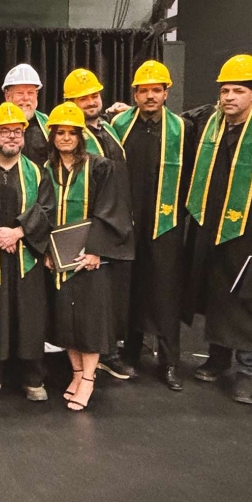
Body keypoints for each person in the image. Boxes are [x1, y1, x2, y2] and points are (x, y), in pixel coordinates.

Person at [183, 54, 252, 404]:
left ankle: (248, 371)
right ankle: (218, 358)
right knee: (218, 295)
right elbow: (180, 120)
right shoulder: (211, 125)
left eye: (238, 90)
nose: (229, 97)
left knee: (250, 301)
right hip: (213, 227)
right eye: (225, 90)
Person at [109, 61, 196, 391]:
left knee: (165, 292)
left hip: (166, 223)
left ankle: (169, 362)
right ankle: (130, 353)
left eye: (156, 90)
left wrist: (178, 216)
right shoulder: (120, 124)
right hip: (128, 222)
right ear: (134, 94)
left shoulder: (182, 128)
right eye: (143, 90)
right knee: (131, 289)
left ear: (166, 93)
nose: (149, 96)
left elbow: (190, 175)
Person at [42, 102, 133, 411]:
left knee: (90, 323)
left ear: (81, 135)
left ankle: (89, 380)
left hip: (90, 260)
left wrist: (95, 250)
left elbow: (110, 211)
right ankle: (77, 374)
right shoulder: (45, 170)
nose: (65, 138)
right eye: (59, 132)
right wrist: (46, 250)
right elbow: (41, 213)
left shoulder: (100, 166)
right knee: (66, 322)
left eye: (71, 132)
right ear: (52, 135)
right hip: (60, 260)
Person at [0, 103, 55, 403]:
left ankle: (33, 377)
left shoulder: (36, 170)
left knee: (30, 318)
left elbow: (47, 208)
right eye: (5, 131)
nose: (12, 137)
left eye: (17, 131)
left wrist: (19, 232)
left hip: (27, 255)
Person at [64, 67, 138, 383]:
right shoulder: (73, 137)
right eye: (82, 98)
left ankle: (109, 353)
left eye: (94, 95)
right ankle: (99, 358)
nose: (90, 101)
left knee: (113, 297)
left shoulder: (109, 128)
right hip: (92, 225)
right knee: (92, 302)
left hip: (117, 223)